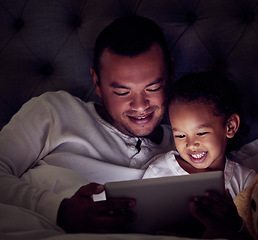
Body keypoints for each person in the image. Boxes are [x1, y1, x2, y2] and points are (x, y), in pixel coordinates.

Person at [0, 16, 175, 233]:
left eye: (153, 88)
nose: (140, 106)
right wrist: (59, 210)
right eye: (122, 92)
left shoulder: (189, 146)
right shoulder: (55, 111)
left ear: (170, 74)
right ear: (97, 83)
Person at [142, 72, 256, 239]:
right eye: (180, 136)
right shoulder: (158, 171)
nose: (190, 145)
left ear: (230, 127)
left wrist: (236, 223)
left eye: (201, 133)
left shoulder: (245, 180)